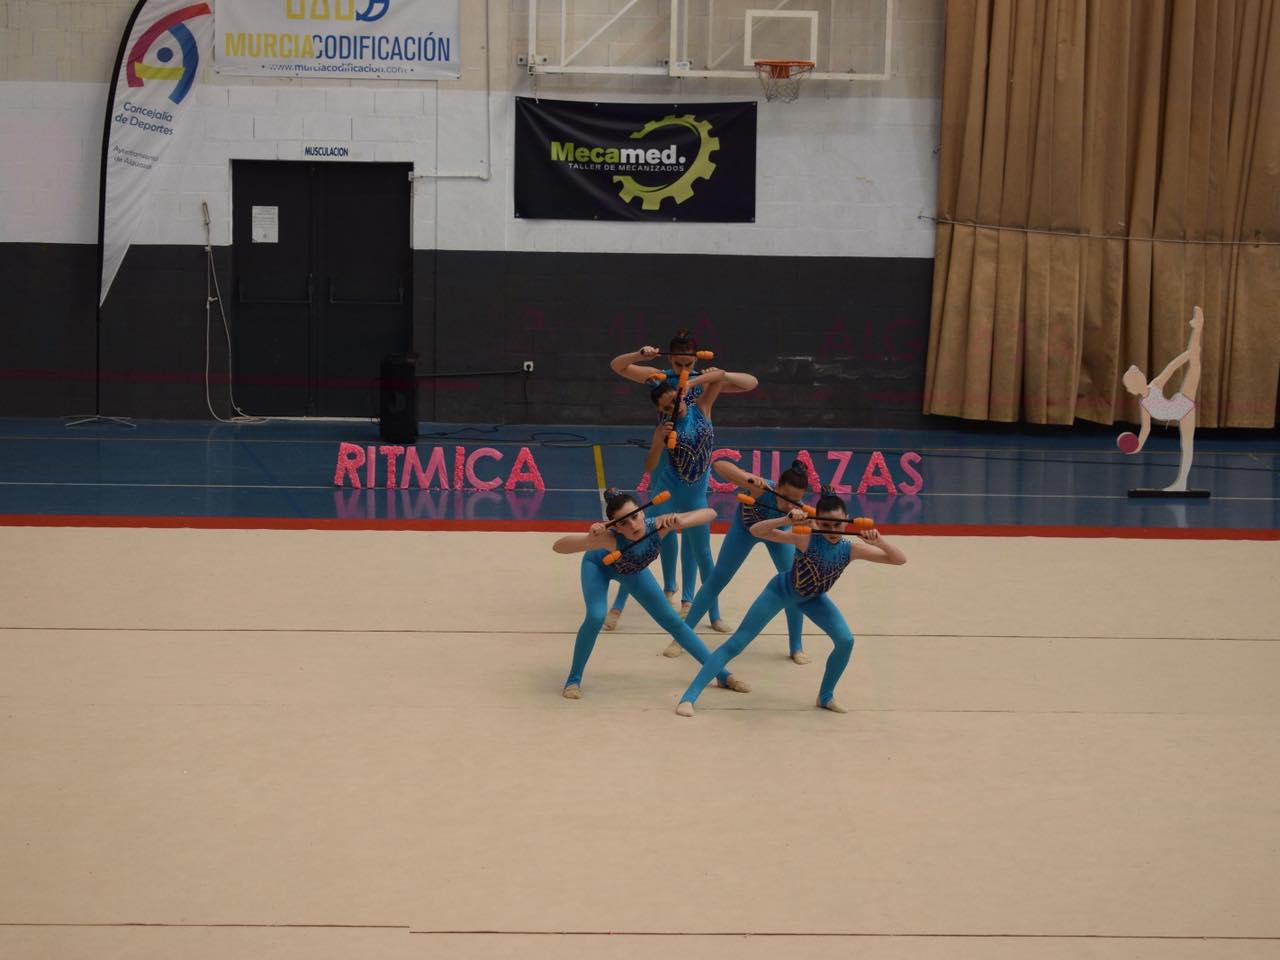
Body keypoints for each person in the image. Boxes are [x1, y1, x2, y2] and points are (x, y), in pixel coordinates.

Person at [675, 489, 906, 718]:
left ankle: (825, 696)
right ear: (817, 522)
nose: (833, 531)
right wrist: (785, 520)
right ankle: (688, 697)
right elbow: (756, 530)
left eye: (838, 525)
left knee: (845, 640)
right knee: (736, 643)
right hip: (780, 592)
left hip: (813, 599)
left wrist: (880, 542)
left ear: (847, 520)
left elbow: (899, 560)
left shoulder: (851, 549)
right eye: (827, 524)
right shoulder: (805, 538)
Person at [604, 331, 757, 632]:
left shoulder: (700, 397)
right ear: (670, 359)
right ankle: (651, 594)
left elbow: (748, 382)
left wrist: (698, 380)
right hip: (670, 461)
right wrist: (640, 355)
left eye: (689, 363)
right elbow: (618, 366)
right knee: (648, 538)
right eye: (678, 364)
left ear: (696, 358)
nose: (683, 369)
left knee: (698, 548)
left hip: (695, 471)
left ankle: (697, 603)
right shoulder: (660, 379)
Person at [553, 488, 751, 700]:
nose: (633, 525)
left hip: (632, 571)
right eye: (623, 523)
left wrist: (680, 521)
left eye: (635, 516)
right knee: (595, 616)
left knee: (674, 622)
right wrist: (589, 538)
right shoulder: (608, 539)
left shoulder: (658, 525)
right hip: (598, 567)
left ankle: (721, 674)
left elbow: (711, 513)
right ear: (615, 527)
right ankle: (573, 679)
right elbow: (558, 547)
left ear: (642, 512)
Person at [683, 458, 813, 664]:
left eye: (795, 501)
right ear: (778, 486)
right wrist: (746, 478)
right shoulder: (761, 489)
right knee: (718, 578)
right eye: (786, 497)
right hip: (744, 532)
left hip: (777, 535)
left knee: (794, 585)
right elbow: (718, 465)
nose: (790, 504)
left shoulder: (799, 508)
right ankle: (683, 636)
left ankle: (796, 646)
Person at [1121, 306, 1204, 492]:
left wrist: (1188, 354)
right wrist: (1138, 446)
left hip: (1183, 404)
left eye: (1138, 375)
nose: (1139, 376)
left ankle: (1198, 327)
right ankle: (1181, 483)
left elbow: (1172, 367)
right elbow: (1146, 429)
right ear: (1133, 390)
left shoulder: (1155, 385)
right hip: (1181, 411)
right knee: (1186, 445)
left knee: (1195, 366)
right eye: (1134, 379)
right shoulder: (1143, 404)